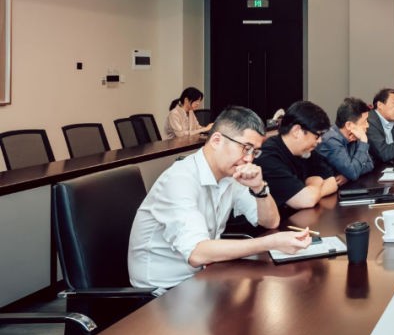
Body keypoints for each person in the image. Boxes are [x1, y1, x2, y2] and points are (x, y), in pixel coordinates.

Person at [127, 106, 311, 289]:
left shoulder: (232, 175)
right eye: (246, 148)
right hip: (162, 290)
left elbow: (270, 222)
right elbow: (197, 253)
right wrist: (268, 243)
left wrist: (259, 188)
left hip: (203, 277)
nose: (249, 159)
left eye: (254, 152)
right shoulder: (179, 180)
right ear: (216, 140)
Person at [254, 100, 339, 211]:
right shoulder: (268, 157)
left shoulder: (306, 151)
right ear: (297, 131)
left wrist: (312, 191)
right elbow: (305, 200)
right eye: (317, 135)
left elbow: (333, 182)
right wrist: (316, 182)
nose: (319, 141)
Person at [316, 97, 376, 181]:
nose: (367, 125)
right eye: (364, 122)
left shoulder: (354, 136)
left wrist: (346, 176)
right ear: (349, 125)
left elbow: (369, 164)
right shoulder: (331, 140)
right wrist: (363, 141)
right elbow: (353, 173)